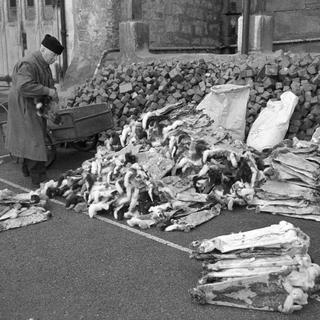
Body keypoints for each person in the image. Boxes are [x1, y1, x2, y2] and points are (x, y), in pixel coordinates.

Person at [5, 34, 64, 187]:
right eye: (53, 55)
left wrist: (53, 99)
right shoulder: (29, 63)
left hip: (33, 104)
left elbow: (49, 84)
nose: (54, 59)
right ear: (43, 50)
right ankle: (39, 178)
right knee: (34, 139)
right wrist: (48, 91)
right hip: (23, 106)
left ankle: (27, 169)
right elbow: (24, 86)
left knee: (30, 139)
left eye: (56, 56)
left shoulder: (43, 64)